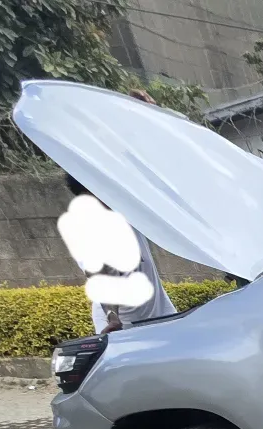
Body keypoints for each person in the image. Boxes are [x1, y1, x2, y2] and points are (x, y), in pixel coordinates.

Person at [72, 88, 177, 333]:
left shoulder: (125, 208)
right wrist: (112, 317)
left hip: (160, 316)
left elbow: (140, 162)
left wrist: (145, 118)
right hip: (122, 329)